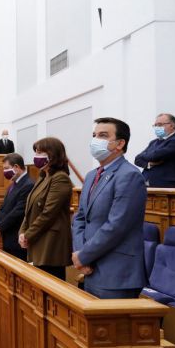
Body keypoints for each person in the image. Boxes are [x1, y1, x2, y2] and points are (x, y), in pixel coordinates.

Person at [72, 117, 147, 299]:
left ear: (120, 143)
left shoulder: (130, 175)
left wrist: (84, 256)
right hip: (90, 267)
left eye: (103, 135)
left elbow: (117, 225)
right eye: (94, 135)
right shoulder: (91, 176)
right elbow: (80, 217)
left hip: (116, 273)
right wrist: (81, 255)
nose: (96, 140)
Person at [18, 138, 73, 280]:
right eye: (36, 152)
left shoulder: (60, 178)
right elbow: (29, 209)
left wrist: (28, 234)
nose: (36, 156)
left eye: (40, 152)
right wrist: (22, 232)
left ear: (53, 154)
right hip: (37, 239)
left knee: (51, 284)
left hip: (51, 243)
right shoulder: (43, 177)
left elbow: (48, 213)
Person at [0, 153, 34, 260]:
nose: (4, 172)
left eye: (6, 168)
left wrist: (0, 226)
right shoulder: (13, 184)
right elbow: (2, 207)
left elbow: (18, 211)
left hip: (17, 238)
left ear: (16, 167)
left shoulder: (28, 184)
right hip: (8, 235)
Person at [134, 113, 175, 188]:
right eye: (155, 125)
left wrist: (145, 155)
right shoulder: (153, 142)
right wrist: (149, 164)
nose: (156, 128)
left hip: (167, 187)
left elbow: (155, 156)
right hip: (146, 186)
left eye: (159, 125)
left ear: (172, 126)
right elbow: (137, 159)